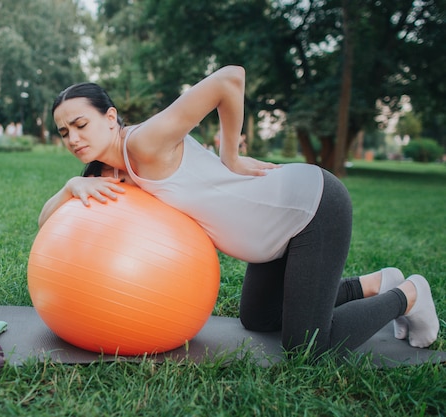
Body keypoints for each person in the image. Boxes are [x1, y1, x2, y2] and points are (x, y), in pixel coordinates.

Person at [39, 65, 439, 356]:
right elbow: (46, 224)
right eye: (64, 132)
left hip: (310, 209)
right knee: (258, 318)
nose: (73, 138)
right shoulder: (111, 171)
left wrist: (230, 154)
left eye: (80, 124)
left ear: (110, 118)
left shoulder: (145, 143)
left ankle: (408, 294)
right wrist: (70, 185)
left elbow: (230, 78)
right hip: (271, 237)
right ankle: (375, 282)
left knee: (308, 346)